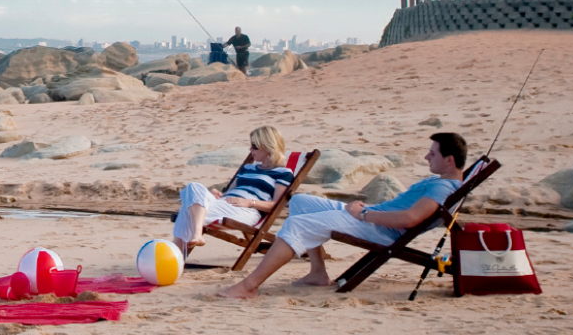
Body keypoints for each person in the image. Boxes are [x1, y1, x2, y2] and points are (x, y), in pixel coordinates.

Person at [219, 132, 469, 299]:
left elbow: (409, 220)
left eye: (433, 153)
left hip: (379, 229)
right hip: (373, 216)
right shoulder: (441, 181)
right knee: (301, 202)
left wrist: (364, 214)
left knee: (297, 224)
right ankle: (318, 273)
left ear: (449, 160)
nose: (427, 156)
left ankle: (249, 286)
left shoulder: (443, 187)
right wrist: (365, 211)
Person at [172, 126, 294, 257]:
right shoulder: (247, 168)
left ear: (269, 147)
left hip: (247, 210)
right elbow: (231, 192)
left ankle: (175, 256)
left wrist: (250, 202)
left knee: (188, 209)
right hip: (226, 203)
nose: (250, 149)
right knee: (193, 187)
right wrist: (219, 195)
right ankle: (192, 240)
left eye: (254, 146)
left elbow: (277, 205)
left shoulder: (283, 173)